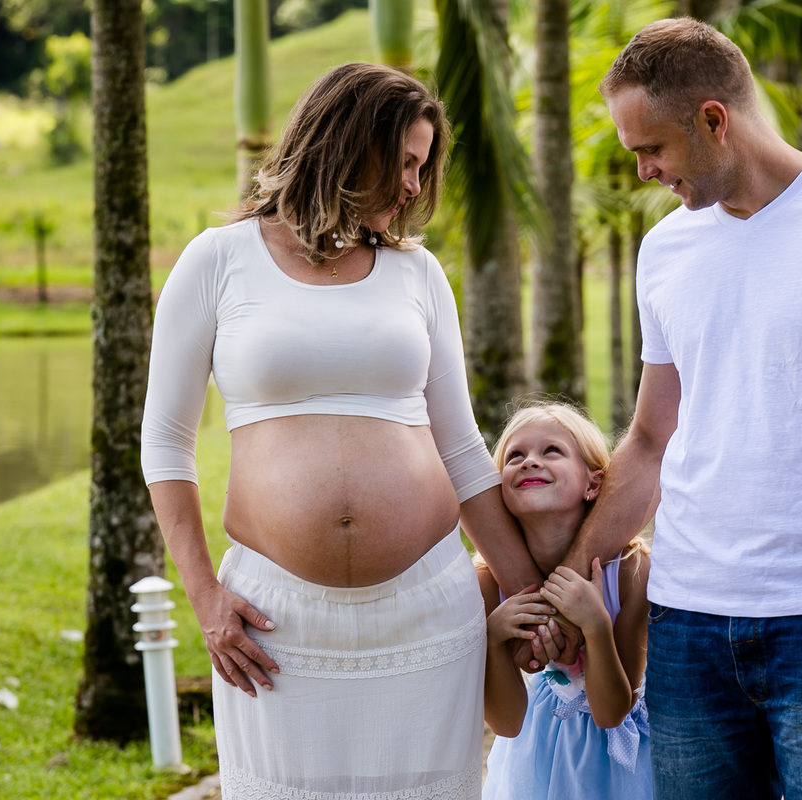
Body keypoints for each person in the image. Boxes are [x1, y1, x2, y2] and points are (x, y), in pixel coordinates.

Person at [556, 18, 802, 799]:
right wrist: (573, 575)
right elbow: (648, 439)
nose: (643, 171)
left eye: (653, 149)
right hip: (685, 628)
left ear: (715, 119)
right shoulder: (666, 250)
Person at [140, 63, 547, 799]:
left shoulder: (418, 275)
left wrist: (532, 597)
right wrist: (202, 596)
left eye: (424, 168)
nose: (416, 187)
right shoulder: (217, 261)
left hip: (427, 612)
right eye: (407, 163)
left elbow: (461, 450)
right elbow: (165, 443)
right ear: (349, 143)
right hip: (276, 624)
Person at [478, 402, 652, 800]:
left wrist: (596, 626)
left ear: (594, 484)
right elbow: (506, 723)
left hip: (626, 763)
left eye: (551, 451)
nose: (529, 462)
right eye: (514, 456)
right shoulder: (489, 583)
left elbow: (612, 714)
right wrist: (492, 639)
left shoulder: (630, 572)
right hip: (536, 752)